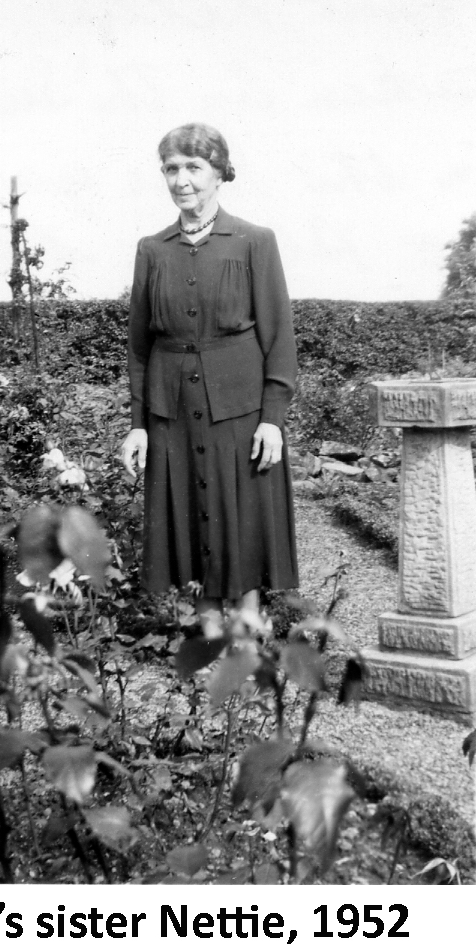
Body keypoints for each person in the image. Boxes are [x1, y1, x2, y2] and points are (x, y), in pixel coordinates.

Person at [122, 123, 298, 635]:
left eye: (194, 168)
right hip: (170, 406)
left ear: (219, 173)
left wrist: (273, 420)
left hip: (237, 407)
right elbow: (139, 345)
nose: (183, 180)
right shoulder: (151, 249)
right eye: (172, 169)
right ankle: (207, 629)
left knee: (236, 509)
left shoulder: (253, 241)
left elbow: (279, 337)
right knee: (188, 507)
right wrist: (137, 424)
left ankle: (246, 620)